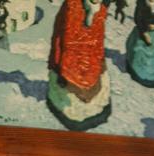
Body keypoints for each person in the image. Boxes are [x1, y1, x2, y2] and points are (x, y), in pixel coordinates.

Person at [46, 0, 113, 130]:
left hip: (91, 54)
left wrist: (96, 56)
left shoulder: (100, 9)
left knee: (94, 83)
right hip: (72, 56)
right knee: (75, 82)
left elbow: (98, 35)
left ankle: (91, 110)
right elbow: (68, 39)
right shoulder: (73, 7)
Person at [126, 0, 154, 87]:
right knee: (139, 51)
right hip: (141, 32)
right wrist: (144, 33)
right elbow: (137, 20)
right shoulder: (141, 4)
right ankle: (138, 75)